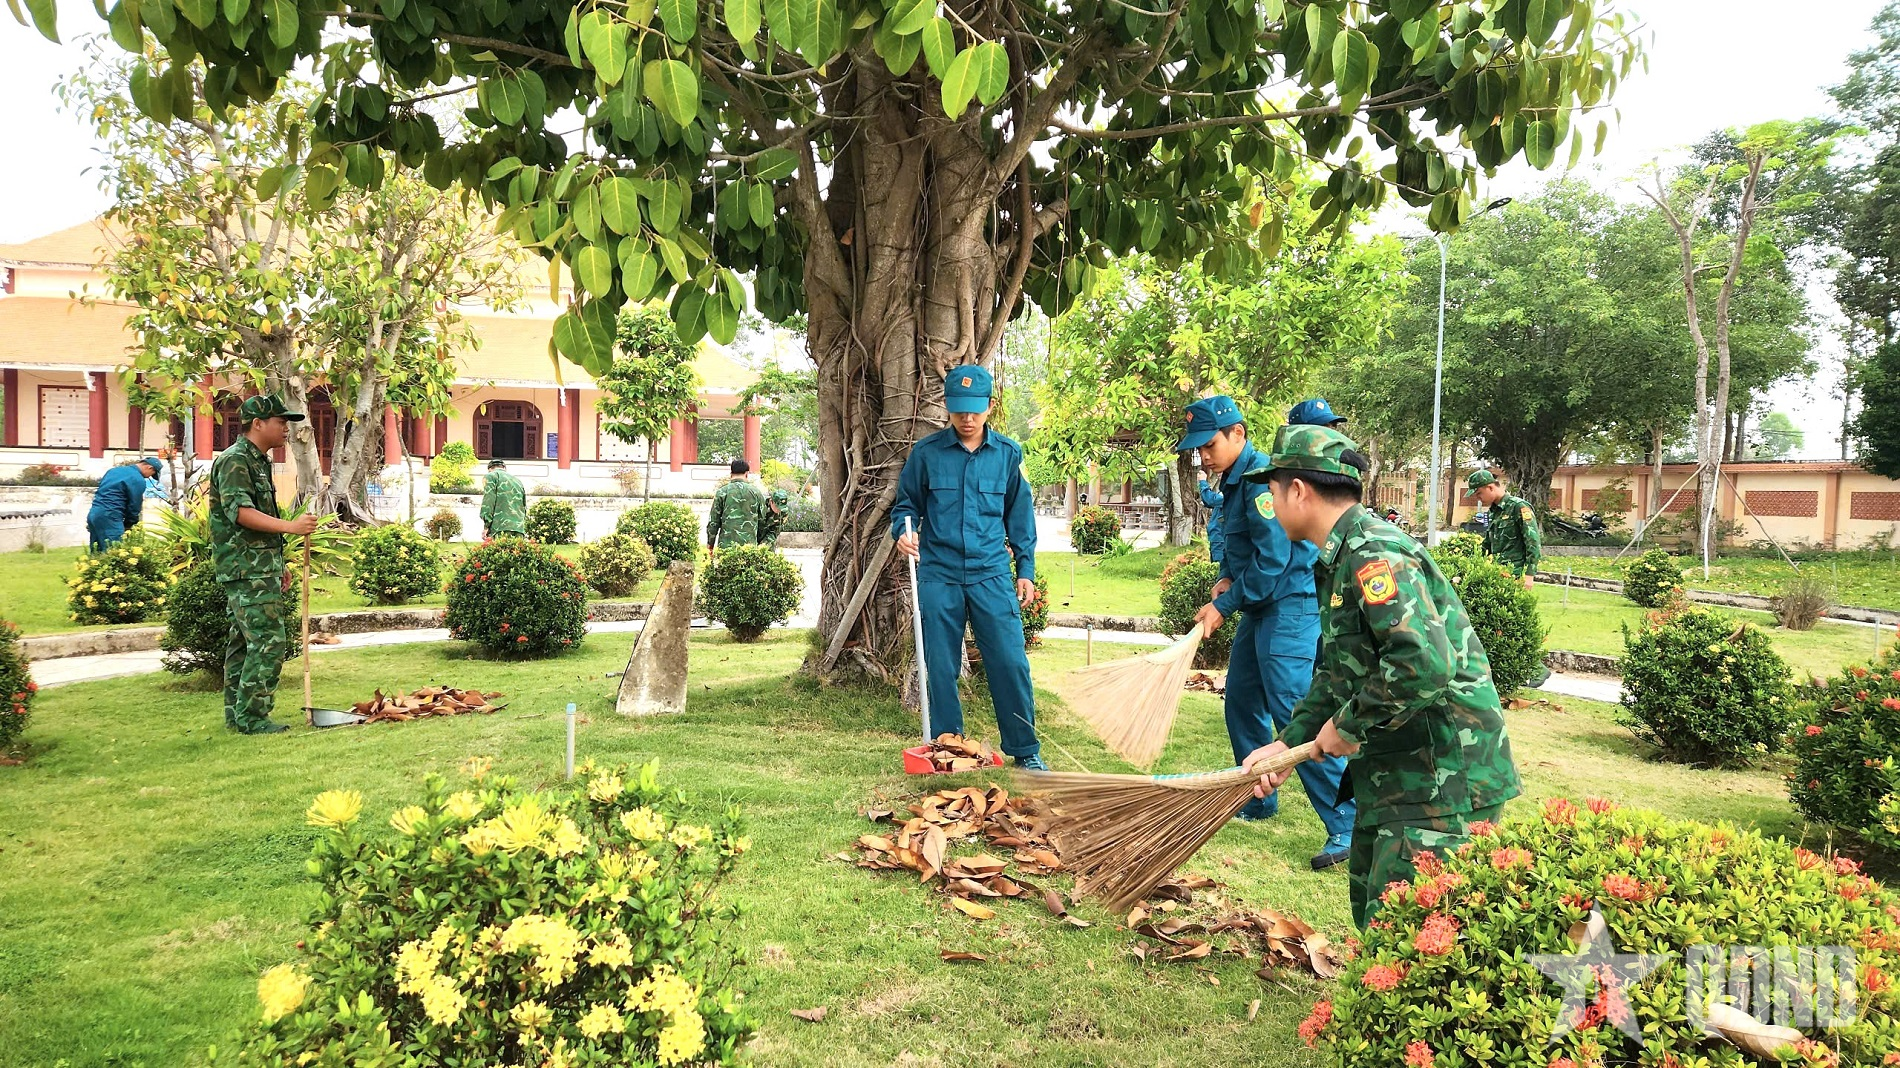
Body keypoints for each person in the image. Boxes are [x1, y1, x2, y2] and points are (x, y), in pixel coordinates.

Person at [1244, 424, 1521, 928]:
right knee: (1378, 920)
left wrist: (1347, 726)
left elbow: (1422, 663)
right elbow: (1339, 673)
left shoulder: (1374, 554)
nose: (1271, 502)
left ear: (1298, 490)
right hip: (1398, 774)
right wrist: (1288, 744)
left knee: (1416, 935)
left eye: (1272, 490)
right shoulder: (1341, 555)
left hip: (1440, 780)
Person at [1178, 396, 1355, 869]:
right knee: (1241, 699)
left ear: (1237, 433)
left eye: (1210, 445)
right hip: (1260, 607)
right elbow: (1246, 551)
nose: (1204, 456)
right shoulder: (1235, 481)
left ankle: (1347, 821)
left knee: (1295, 712)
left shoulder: (1261, 482)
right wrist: (1227, 578)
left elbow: (1274, 560)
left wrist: (1222, 606)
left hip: (1289, 607)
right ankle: (1257, 797)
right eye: (1198, 449)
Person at [892, 364, 1046, 770]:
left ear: (990, 406)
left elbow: (1020, 517)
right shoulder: (926, 454)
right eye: (959, 409)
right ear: (947, 405)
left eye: (975, 409)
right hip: (939, 573)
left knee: (1010, 661)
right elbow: (906, 505)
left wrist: (1025, 569)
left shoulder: (1008, 454)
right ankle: (949, 748)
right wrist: (902, 531)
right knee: (940, 665)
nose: (967, 418)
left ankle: (1025, 751)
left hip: (990, 573)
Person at [209, 395, 320, 736]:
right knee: (268, 642)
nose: (286, 428)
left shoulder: (257, 461)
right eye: (280, 421)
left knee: (244, 643)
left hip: (258, 565)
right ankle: (253, 717)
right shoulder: (235, 460)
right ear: (257, 423)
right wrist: (291, 527)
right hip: (245, 568)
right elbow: (241, 513)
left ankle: (238, 715)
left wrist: (278, 561)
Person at [1467, 470, 1542, 589]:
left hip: (1515, 575)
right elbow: (1487, 544)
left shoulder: (1518, 506)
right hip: (1496, 574)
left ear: (1490, 487)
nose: (1478, 498)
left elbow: (1532, 541)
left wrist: (1529, 575)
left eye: (1479, 493)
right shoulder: (1493, 512)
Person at [86, 456, 162, 550]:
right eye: (152, 474)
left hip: (94, 513)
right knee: (114, 551)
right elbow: (134, 505)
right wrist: (129, 524)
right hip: (111, 515)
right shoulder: (138, 479)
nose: (149, 477)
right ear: (149, 467)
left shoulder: (113, 471)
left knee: (97, 551)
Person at [706, 459, 767, 550]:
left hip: (726, 547)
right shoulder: (756, 493)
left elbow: (713, 522)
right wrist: (759, 543)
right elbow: (762, 521)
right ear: (747, 474)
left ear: (731, 474)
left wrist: (710, 545)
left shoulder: (722, 492)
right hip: (749, 548)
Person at [480, 459, 527, 538]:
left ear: (490, 469)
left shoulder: (490, 476)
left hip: (499, 527)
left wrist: (486, 525)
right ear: (504, 468)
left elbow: (488, 501)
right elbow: (524, 505)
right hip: (519, 528)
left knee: (500, 546)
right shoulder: (517, 481)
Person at [1196, 474, 1225, 563]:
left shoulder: (1232, 492)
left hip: (1221, 539)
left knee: (1219, 566)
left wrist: (1203, 482)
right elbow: (1208, 502)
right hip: (1217, 538)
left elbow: (1210, 500)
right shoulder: (1223, 490)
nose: (1219, 473)